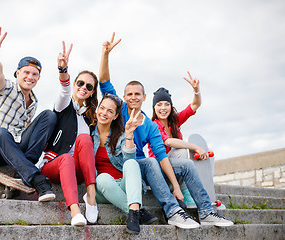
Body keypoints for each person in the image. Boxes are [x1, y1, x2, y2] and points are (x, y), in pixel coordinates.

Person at [98, 33, 234, 228]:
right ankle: (173, 212)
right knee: (151, 160)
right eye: (129, 94)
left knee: (185, 165)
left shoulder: (151, 125)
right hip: (127, 166)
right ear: (124, 96)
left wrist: (176, 187)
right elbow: (104, 82)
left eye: (137, 94)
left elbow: (162, 156)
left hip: (146, 167)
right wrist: (105, 54)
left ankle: (206, 211)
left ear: (144, 97)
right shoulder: (118, 112)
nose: (133, 97)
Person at [0, 27, 57, 202]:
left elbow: (28, 130)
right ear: (18, 73)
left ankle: (24, 166)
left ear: (38, 78)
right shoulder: (5, 87)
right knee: (2, 133)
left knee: (49, 115)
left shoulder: (33, 101)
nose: (30, 77)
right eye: (26, 72)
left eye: (34, 74)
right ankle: (37, 179)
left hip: (14, 147)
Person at [38, 41, 98, 226]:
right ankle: (75, 211)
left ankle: (91, 197)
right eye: (80, 83)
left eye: (89, 86)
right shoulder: (63, 105)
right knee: (67, 158)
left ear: (92, 92)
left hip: (79, 171)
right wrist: (62, 69)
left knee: (85, 138)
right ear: (74, 84)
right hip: (55, 164)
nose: (84, 88)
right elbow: (63, 90)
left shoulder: (89, 117)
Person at [92, 93, 158, 234]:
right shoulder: (88, 135)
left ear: (115, 116)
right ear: (97, 109)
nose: (104, 113)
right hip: (102, 189)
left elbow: (129, 160)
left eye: (110, 111)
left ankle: (133, 214)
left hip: (125, 186)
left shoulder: (120, 134)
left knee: (132, 164)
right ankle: (138, 211)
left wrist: (129, 135)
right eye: (102, 108)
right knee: (103, 178)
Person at [148, 76, 211, 207]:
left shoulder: (175, 121)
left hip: (175, 170)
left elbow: (195, 105)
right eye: (159, 105)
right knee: (181, 151)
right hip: (159, 170)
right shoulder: (154, 125)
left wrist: (196, 91)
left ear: (171, 106)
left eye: (167, 104)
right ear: (154, 107)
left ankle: (192, 193)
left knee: (183, 153)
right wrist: (195, 146)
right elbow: (169, 142)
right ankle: (185, 192)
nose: (163, 108)